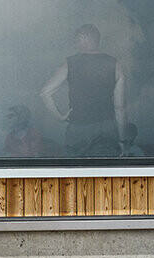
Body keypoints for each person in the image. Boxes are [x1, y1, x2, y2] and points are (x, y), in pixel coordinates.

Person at [39, 24, 124, 158]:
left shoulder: (69, 63)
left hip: (77, 131)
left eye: (76, 39)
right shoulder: (114, 64)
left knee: (76, 174)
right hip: (106, 130)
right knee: (103, 174)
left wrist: (60, 117)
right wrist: (122, 140)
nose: (75, 42)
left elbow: (45, 93)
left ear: (84, 37)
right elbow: (120, 108)